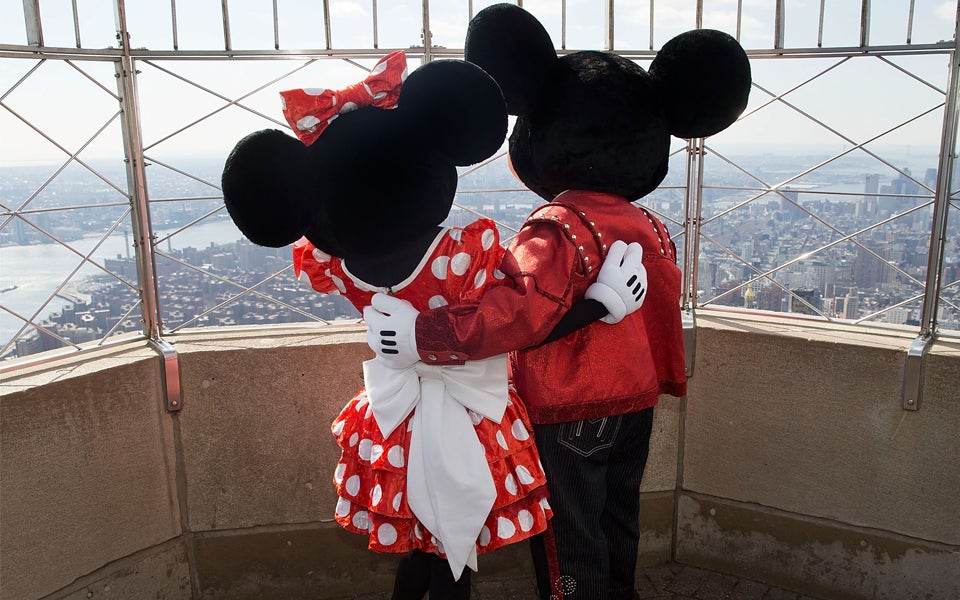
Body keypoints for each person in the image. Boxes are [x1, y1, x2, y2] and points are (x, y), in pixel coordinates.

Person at [220, 50, 647, 600]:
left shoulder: (338, 268)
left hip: (394, 417)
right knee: (454, 542)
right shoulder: (460, 255)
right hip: (467, 411)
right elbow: (514, 320)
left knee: (420, 543)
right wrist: (601, 301)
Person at [364, 5, 752, 599]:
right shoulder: (650, 227)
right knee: (618, 519)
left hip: (568, 405)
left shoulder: (557, 227)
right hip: (636, 399)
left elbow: (517, 314)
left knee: (570, 534)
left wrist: (426, 334)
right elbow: (660, 315)